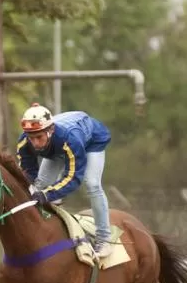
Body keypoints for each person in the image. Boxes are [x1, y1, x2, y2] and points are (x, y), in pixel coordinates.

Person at [15, 103, 113, 259]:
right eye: (31, 138)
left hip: (90, 142)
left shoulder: (70, 140)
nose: (35, 143)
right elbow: (28, 173)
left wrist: (48, 195)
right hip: (57, 147)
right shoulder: (25, 142)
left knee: (92, 184)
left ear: (50, 130)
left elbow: (73, 178)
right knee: (39, 186)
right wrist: (35, 189)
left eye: (39, 137)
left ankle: (104, 239)